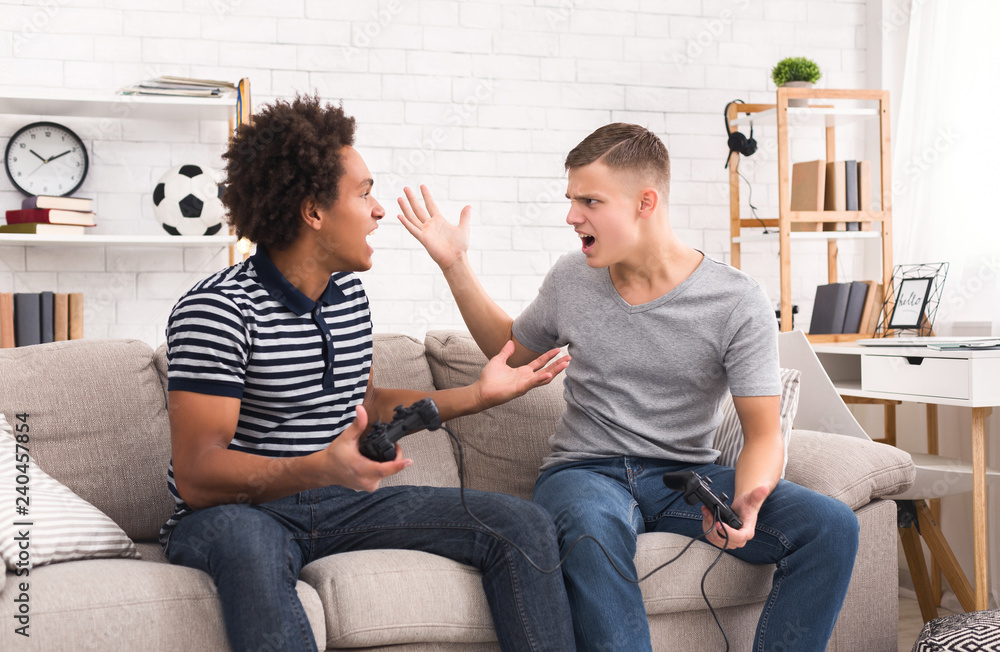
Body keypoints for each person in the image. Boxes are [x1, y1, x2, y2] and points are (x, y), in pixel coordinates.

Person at [398, 123, 861, 651]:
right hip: (584, 472)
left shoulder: (735, 300)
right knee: (591, 534)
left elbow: (762, 435)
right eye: (572, 200)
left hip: (685, 477)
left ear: (646, 202)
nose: (572, 216)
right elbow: (507, 349)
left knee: (831, 527)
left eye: (589, 201)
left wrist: (749, 502)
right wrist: (455, 263)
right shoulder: (572, 279)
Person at [159, 94, 576, 652]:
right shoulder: (218, 310)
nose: (379, 210)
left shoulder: (348, 295)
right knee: (248, 544)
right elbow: (198, 473)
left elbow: (368, 400)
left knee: (520, 524)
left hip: (338, 501)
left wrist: (477, 395)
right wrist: (317, 465)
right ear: (313, 212)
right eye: (364, 193)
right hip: (238, 513)